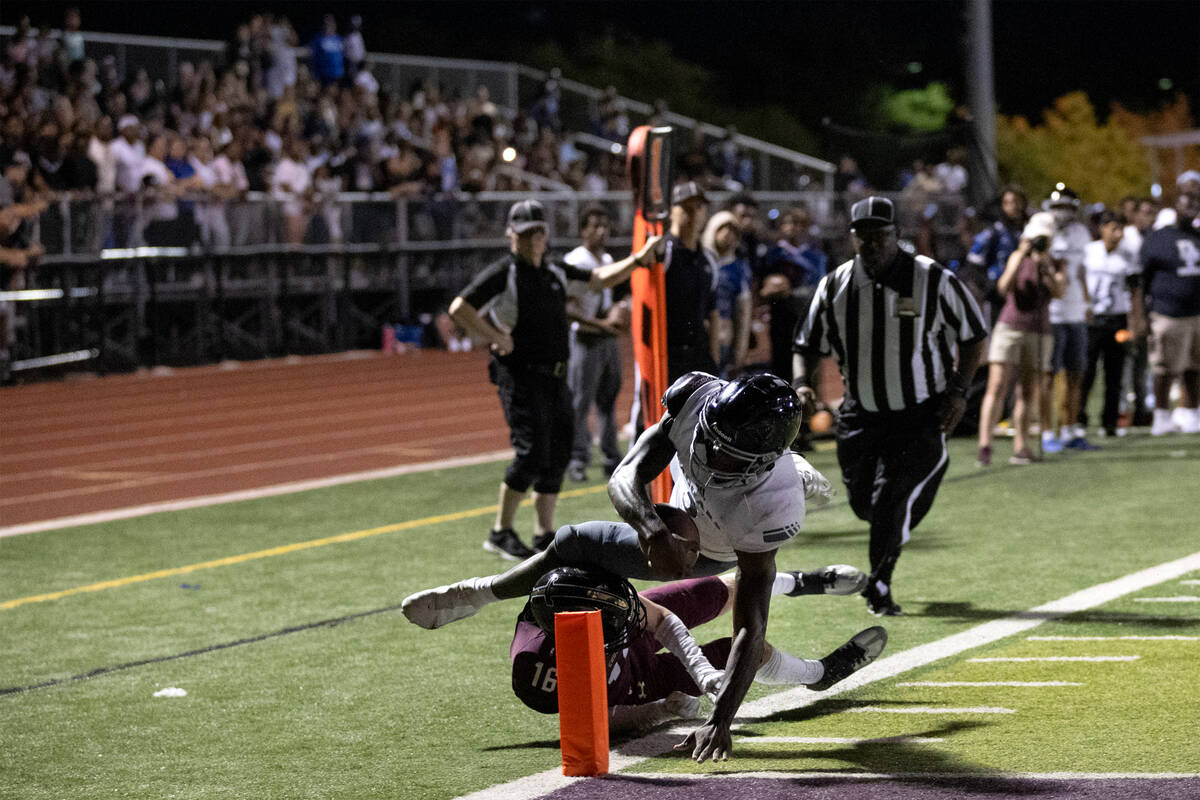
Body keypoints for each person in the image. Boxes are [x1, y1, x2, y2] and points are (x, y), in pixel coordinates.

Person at [404, 371, 861, 763]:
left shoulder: (770, 506)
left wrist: (721, 719)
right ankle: (474, 594)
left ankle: (815, 665)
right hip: (675, 518)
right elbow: (627, 473)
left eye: (725, 454)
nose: (707, 452)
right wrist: (651, 529)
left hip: (712, 546)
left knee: (728, 604)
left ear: (760, 464)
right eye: (710, 436)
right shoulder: (696, 399)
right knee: (573, 541)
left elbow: (750, 627)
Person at [792, 196, 988, 616]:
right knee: (866, 504)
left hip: (920, 412)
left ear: (896, 235)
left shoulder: (932, 279)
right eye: (863, 237)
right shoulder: (835, 285)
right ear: (852, 239)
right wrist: (802, 384)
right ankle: (892, 531)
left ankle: (879, 583)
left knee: (890, 499)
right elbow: (807, 345)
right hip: (860, 415)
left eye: (880, 235)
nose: (872, 244)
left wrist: (958, 391)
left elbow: (974, 335)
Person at [449, 199, 661, 559]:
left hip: (555, 377)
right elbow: (460, 308)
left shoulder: (554, 272)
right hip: (521, 375)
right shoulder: (507, 272)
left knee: (558, 453)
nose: (533, 238)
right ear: (511, 236)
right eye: (526, 232)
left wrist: (639, 259)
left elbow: (598, 280)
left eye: (538, 231)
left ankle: (542, 533)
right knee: (531, 453)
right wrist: (494, 336)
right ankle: (500, 531)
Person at [511, 567, 885, 733]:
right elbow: (601, 723)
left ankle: (796, 582)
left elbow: (660, 620)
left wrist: (701, 671)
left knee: (721, 590)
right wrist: (659, 711)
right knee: (748, 653)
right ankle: (819, 675)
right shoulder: (541, 677)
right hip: (632, 684)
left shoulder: (582, 599)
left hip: (612, 646)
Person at [976, 212, 1066, 466]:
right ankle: (985, 445)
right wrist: (1021, 255)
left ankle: (1021, 446)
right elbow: (1003, 288)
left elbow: (1059, 291)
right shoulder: (1018, 257)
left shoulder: (1055, 262)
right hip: (1010, 326)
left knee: (1027, 391)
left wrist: (1046, 267)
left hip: (1039, 330)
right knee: (997, 385)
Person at [1130, 182, 1200, 435]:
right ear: (1176, 205)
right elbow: (1141, 281)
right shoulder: (1158, 239)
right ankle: (1161, 415)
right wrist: (1140, 316)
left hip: (1196, 312)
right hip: (1167, 312)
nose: (1191, 207)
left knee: (1194, 367)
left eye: (1196, 203)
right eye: (1186, 202)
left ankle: (1192, 412)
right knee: (1164, 368)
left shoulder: (1197, 236)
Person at [563, 205, 626, 484]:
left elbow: (607, 299)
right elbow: (565, 307)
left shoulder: (608, 257)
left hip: (606, 338)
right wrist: (599, 323)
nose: (602, 231)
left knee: (608, 399)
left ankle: (611, 456)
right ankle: (578, 457)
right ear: (583, 230)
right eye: (595, 226)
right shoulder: (577, 261)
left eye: (605, 226)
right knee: (580, 400)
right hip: (586, 338)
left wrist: (615, 312)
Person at [1042, 184, 1096, 452]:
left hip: (1075, 312)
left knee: (1076, 374)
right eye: (1057, 207)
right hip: (1052, 314)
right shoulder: (1043, 232)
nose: (1061, 212)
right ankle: (1046, 432)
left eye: (1066, 207)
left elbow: (1083, 271)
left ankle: (1070, 429)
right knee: (1048, 376)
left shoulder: (1081, 233)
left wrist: (1087, 302)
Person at [1079, 211, 1136, 438]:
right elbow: (1080, 278)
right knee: (1087, 370)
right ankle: (1079, 417)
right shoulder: (1089, 251)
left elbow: (1134, 289)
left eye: (1121, 229)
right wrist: (1084, 305)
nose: (1118, 234)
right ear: (1102, 228)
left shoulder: (1128, 255)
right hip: (1093, 318)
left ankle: (1109, 421)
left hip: (1117, 319)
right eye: (1114, 228)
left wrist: (1135, 319)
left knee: (1115, 372)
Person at [760, 205, 828, 383]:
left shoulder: (816, 256)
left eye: (798, 223)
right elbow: (761, 287)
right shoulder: (773, 254)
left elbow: (820, 288)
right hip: (781, 319)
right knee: (781, 368)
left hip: (807, 318)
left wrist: (791, 293)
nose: (792, 227)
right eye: (788, 223)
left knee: (809, 371)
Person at [701, 209, 751, 377]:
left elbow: (743, 312)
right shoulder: (700, 262)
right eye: (722, 228)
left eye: (732, 230)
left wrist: (740, 352)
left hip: (723, 337)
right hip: (699, 336)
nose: (727, 235)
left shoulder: (738, 269)